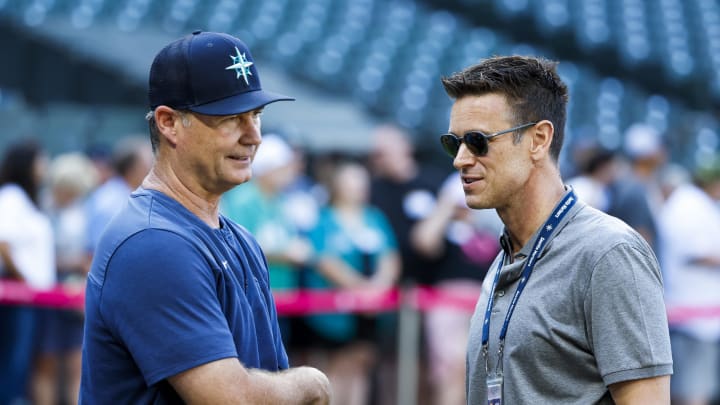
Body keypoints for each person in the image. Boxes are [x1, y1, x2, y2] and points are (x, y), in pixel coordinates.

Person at [80, 31, 331, 404]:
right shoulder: (152, 242)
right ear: (168, 123)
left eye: (257, 115)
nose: (254, 136)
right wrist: (312, 384)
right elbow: (234, 400)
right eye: (230, 118)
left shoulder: (238, 237)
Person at [438, 56, 672, 404]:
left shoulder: (609, 253)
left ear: (538, 139)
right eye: (453, 143)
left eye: (478, 141)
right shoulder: (506, 258)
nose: (460, 158)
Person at [304, 159, 400, 405]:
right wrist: (362, 290)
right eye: (352, 180)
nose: (359, 186)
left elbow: (390, 256)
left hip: (370, 311)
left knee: (361, 364)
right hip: (336, 311)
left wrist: (378, 288)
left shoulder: (374, 217)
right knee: (337, 366)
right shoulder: (324, 218)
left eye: (362, 180)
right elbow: (324, 260)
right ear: (338, 185)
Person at [32, 152, 98, 405]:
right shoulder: (41, 207)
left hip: (73, 293)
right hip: (45, 292)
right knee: (45, 360)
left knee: (76, 362)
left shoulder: (83, 211)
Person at [659, 156, 720, 405]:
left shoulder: (695, 203)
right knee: (693, 392)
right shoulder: (689, 205)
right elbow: (696, 252)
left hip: (698, 316)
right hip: (692, 319)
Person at [0, 138, 55, 404]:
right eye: (40, 160)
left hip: (36, 297)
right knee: (15, 356)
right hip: (18, 295)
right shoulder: (11, 197)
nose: (44, 166)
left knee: (26, 356)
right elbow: (3, 242)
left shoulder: (28, 199)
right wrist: (24, 281)